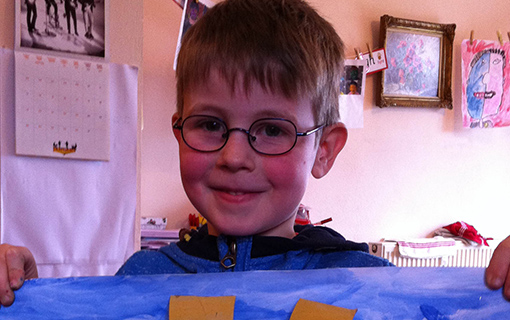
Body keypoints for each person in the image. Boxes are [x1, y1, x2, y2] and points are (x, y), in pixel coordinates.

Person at [0, 0, 509, 308]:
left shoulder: (365, 284)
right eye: (211, 125)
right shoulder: (141, 278)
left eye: (270, 129)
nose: (234, 156)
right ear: (178, 132)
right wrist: (32, 296)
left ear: (324, 151)